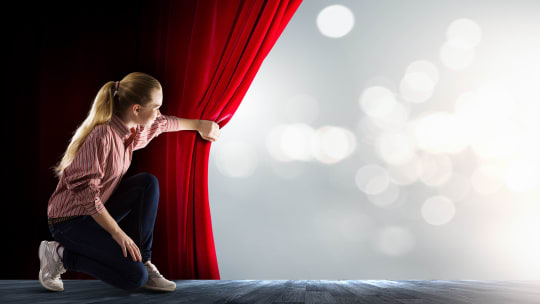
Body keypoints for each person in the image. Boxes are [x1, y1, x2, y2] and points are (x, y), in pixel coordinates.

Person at [39, 72, 221, 292]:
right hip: (68, 221)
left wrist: (200, 125)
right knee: (134, 278)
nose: (159, 113)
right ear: (136, 109)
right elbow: (86, 194)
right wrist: (117, 233)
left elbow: (163, 124)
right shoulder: (103, 135)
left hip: (95, 212)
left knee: (147, 183)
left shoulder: (134, 129)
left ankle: (145, 260)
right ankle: (60, 254)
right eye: (155, 107)